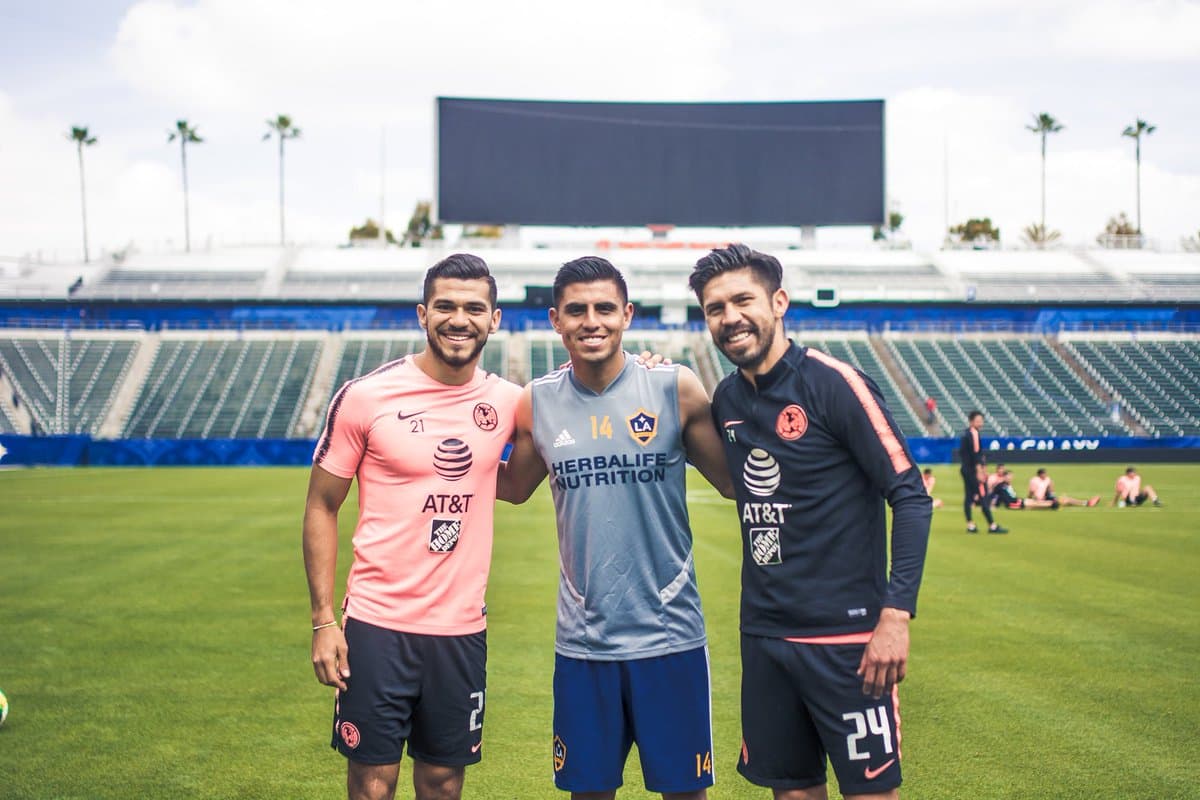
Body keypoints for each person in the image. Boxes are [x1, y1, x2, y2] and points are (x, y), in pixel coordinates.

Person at [689, 243, 932, 800]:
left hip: (848, 637)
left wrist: (895, 616)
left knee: (870, 794)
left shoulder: (834, 383)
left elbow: (910, 495)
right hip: (767, 635)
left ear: (779, 302)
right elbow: (733, 483)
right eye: (714, 308)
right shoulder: (726, 399)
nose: (730, 318)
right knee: (793, 793)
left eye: (742, 300)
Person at [499, 256, 733, 800]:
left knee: (684, 792)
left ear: (626, 314)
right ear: (555, 320)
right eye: (576, 310)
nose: (591, 321)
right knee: (589, 792)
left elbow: (732, 481)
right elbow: (511, 486)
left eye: (605, 308)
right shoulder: (537, 402)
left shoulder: (676, 388)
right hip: (585, 643)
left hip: (669, 636)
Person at [302, 253, 523, 800]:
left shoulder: (511, 401)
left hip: (461, 630)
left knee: (444, 782)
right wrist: (324, 620)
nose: (459, 318)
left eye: (475, 308)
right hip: (378, 625)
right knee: (373, 784)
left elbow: (517, 486)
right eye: (445, 305)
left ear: (494, 320)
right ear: (423, 315)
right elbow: (321, 506)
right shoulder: (365, 396)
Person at [959, 411, 1007, 534]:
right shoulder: (973, 434)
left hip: (965, 469)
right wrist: (980, 472)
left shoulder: (966, 434)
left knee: (968, 497)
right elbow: (976, 455)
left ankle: (970, 525)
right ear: (971, 421)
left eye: (981, 420)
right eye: (978, 420)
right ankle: (992, 525)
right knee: (983, 496)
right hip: (973, 471)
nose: (981, 423)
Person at [1027, 468, 1099, 507]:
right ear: (1039, 474)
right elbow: (1032, 492)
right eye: (1044, 474)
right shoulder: (1034, 480)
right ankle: (1087, 503)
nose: (1045, 475)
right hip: (1040, 501)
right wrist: (1030, 499)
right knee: (1066, 500)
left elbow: (1051, 489)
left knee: (1065, 500)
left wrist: (1052, 494)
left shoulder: (1047, 479)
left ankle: (1086, 503)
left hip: (1046, 498)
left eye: (1045, 473)